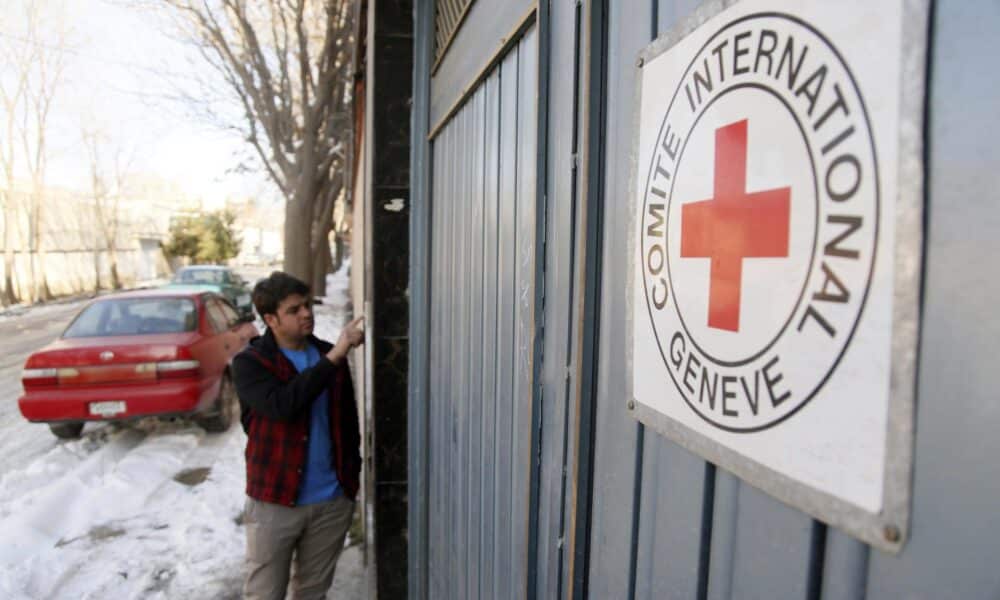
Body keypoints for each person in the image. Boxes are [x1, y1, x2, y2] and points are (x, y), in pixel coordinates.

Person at [232, 271, 364, 600]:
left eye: (307, 305)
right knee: (264, 594)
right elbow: (282, 406)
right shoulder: (251, 364)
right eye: (294, 310)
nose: (306, 313)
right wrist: (337, 355)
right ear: (271, 319)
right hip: (275, 501)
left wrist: (350, 481)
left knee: (312, 593)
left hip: (331, 500)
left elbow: (347, 422)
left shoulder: (324, 353)